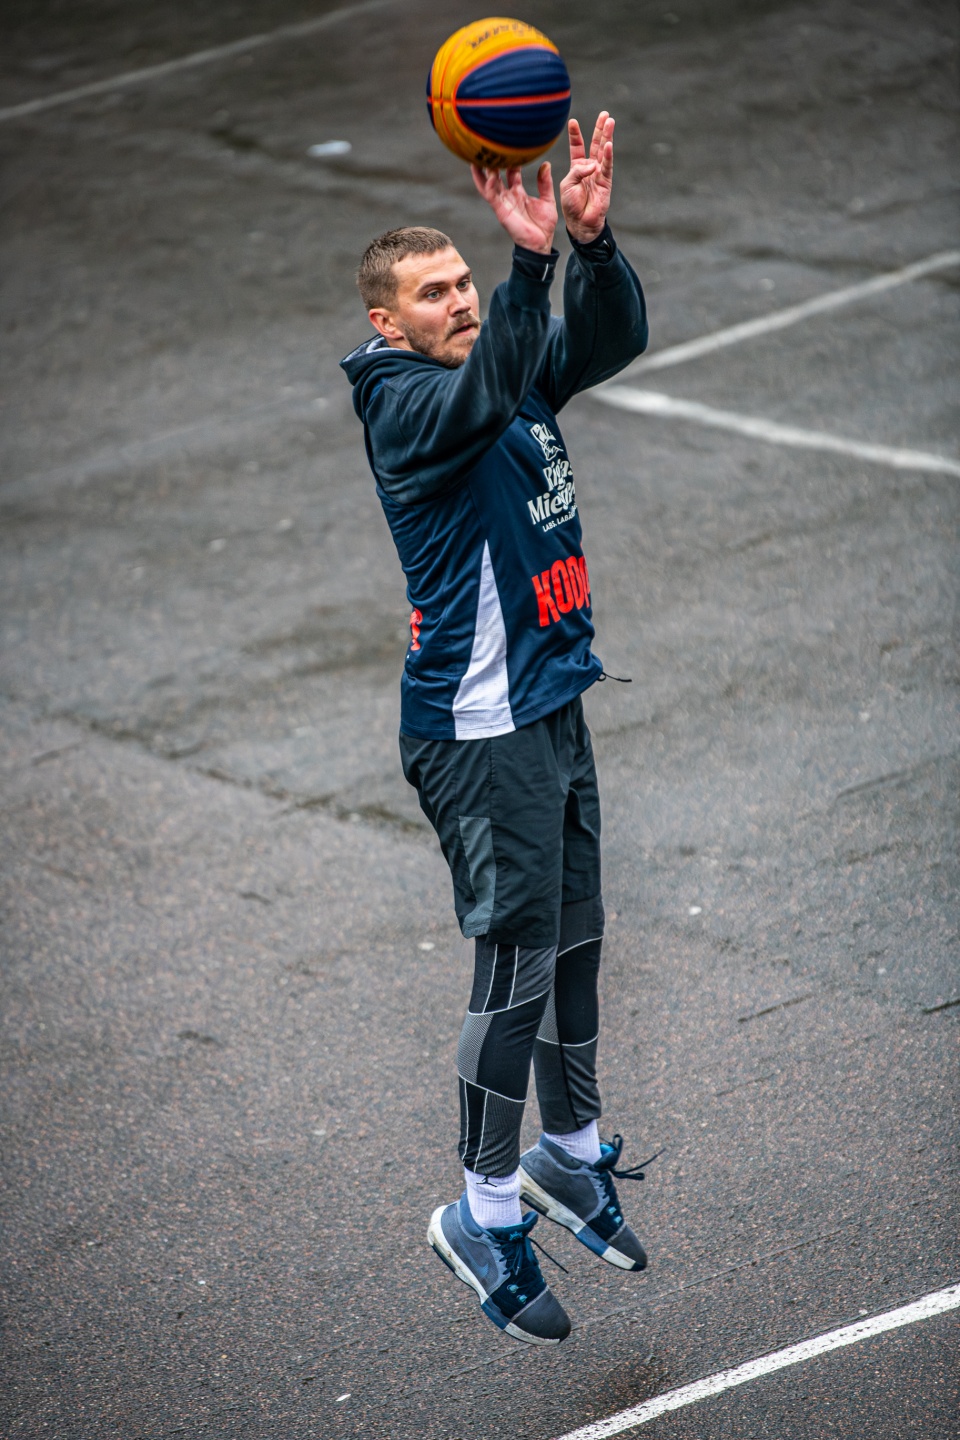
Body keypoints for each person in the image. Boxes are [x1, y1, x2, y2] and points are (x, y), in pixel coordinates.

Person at [341, 113, 651, 1345]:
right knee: (517, 964)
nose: (460, 300)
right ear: (388, 322)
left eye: (465, 282)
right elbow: (483, 392)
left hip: (550, 698)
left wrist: (591, 246)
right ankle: (480, 1212)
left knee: (577, 938)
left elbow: (609, 340)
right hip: (480, 730)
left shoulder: (500, 362)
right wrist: (528, 266)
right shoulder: (407, 405)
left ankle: (567, 1152)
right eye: (434, 292)